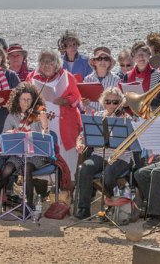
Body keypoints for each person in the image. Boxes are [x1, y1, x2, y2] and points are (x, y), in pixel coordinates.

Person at [0, 82, 51, 215]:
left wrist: (44, 124)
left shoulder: (39, 115)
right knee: (7, 169)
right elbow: (1, 141)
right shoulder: (12, 116)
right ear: (18, 100)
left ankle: (28, 207)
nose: (27, 103)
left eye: (29, 100)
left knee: (27, 167)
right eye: (23, 99)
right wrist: (10, 134)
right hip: (18, 153)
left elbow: (46, 140)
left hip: (36, 155)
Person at [74, 87, 132, 220]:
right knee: (85, 168)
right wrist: (80, 142)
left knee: (109, 173)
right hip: (99, 154)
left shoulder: (125, 118)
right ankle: (84, 208)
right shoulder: (97, 116)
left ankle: (113, 201)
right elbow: (83, 135)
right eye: (108, 101)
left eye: (115, 102)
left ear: (121, 103)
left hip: (120, 157)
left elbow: (131, 141)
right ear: (103, 102)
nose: (111, 105)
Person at [29, 49, 83, 178]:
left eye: (50, 62)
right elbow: (25, 98)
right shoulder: (32, 77)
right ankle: (46, 189)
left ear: (57, 64)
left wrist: (66, 100)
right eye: (43, 62)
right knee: (44, 153)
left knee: (66, 156)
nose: (46, 65)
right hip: (42, 124)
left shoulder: (67, 76)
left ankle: (67, 189)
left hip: (64, 124)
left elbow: (77, 98)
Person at [82, 47, 121, 114]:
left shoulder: (116, 80)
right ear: (94, 62)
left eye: (106, 59)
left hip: (109, 116)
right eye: (99, 59)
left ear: (109, 63)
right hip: (91, 117)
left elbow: (119, 102)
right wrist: (83, 103)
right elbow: (83, 104)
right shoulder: (87, 79)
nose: (103, 61)